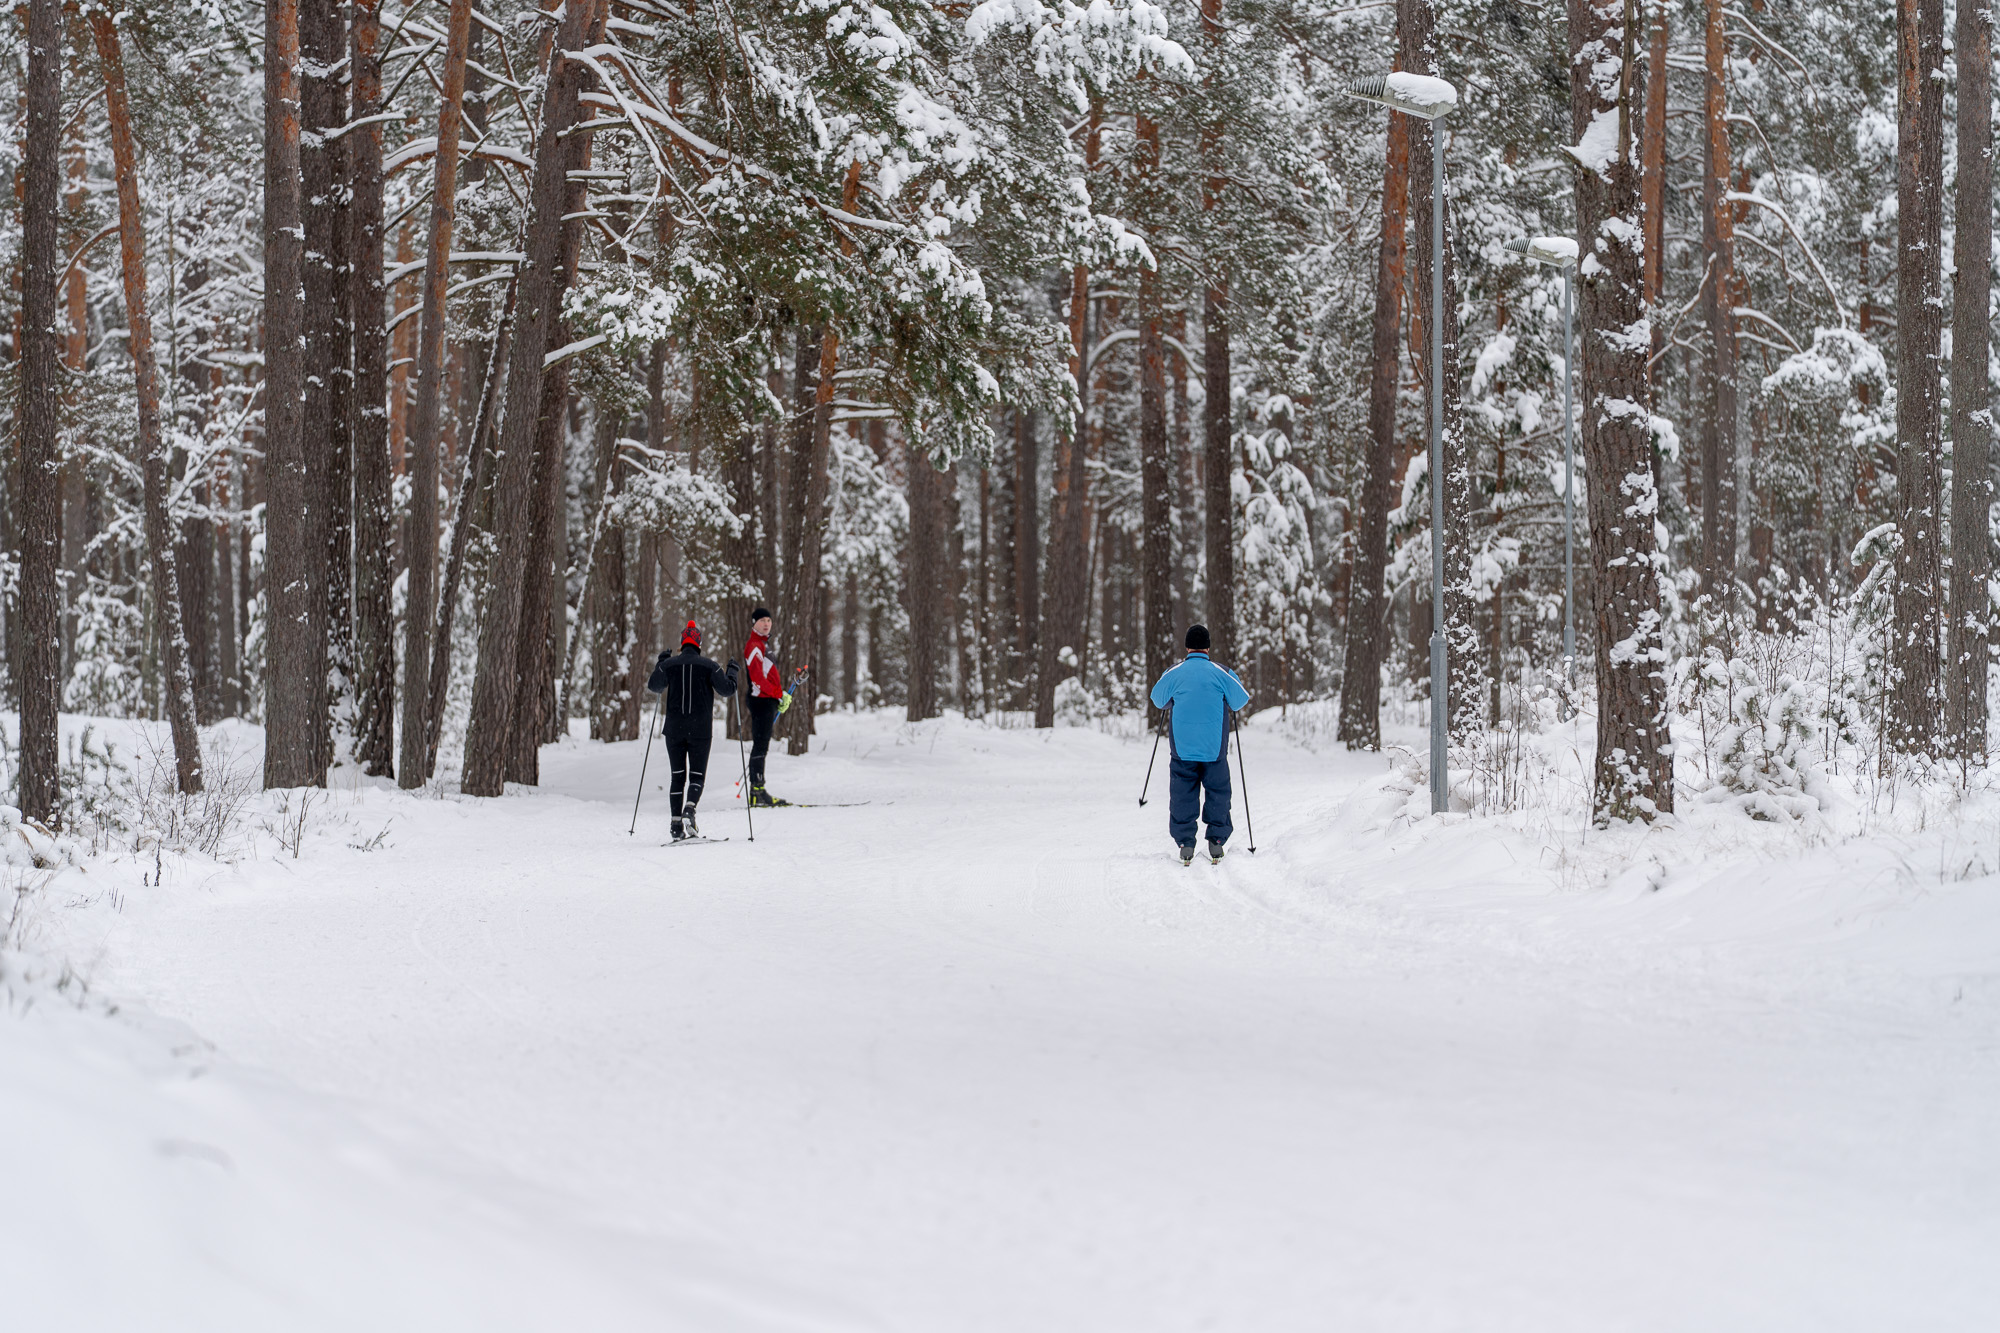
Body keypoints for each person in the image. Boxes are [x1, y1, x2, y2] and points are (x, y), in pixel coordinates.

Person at [1148, 625, 1250, 865]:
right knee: (1218, 792)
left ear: (1187, 647)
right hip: (1214, 748)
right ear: (1208, 647)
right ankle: (1216, 841)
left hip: (1182, 748)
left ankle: (1185, 843)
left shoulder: (1175, 671)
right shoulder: (1220, 671)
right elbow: (1240, 700)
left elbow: (1157, 699)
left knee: (1183, 793)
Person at [647, 621, 739, 840]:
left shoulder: (669, 665)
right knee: (697, 776)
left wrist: (661, 662)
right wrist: (733, 671)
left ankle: (675, 825)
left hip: (674, 730)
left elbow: (654, 686)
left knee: (677, 777)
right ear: (699, 643)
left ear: (682, 643)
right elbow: (728, 690)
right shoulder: (710, 666)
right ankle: (689, 809)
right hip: (700, 730)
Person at [740, 607, 795, 807]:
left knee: (762, 744)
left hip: (767, 699)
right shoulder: (755, 645)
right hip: (761, 700)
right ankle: (757, 791)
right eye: (762, 620)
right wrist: (778, 694)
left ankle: (758, 789)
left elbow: (768, 676)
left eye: (769, 620)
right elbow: (757, 679)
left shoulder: (764, 645)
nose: (766, 623)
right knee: (760, 744)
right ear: (754, 623)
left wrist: (778, 696)